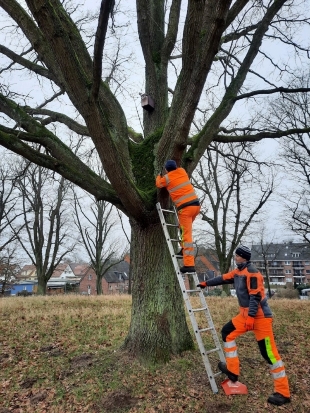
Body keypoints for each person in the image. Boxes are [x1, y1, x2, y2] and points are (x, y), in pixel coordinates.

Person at [197, 245, 291, 406]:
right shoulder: (239, 271)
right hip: (244, 314)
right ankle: (233, 371)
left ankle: (283, 393)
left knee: (269, 354)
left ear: (243, 257)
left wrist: (251, 318)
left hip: (260, 318)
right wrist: (206, 283)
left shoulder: (252, 273)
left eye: (237, 255)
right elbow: (224, 278)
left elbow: (255, 297)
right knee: (227, 333)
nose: (235, 256)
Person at [156, 160, 200, 273]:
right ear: (176, 167)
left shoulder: (166, 178)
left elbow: (159, 184)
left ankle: (189, 264)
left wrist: (158, 175)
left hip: (185, 209)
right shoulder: (182, 171)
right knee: (182, 228)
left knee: (186, 236)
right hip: (195, 206)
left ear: (166, 169)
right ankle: (183, 249)